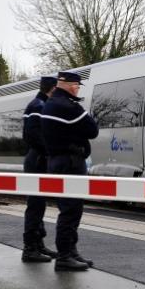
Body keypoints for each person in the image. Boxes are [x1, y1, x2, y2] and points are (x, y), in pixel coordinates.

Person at [41, 70, 99, 272]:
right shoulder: (67, 106)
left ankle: (71, 251)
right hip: (70, 163)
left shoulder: (51, 104)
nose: (78, 89)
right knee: (71, 210)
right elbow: (92, 130)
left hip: (59, 161)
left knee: (70, 208)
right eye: (77, 86)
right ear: (72, 86)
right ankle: (65, 255)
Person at [20, 76, 59, 263]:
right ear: (52, 89)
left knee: (39, 204)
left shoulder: (37, 104)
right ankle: (30, 248)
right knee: (35, 205)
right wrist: (50, 150)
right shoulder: (39, 106)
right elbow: (32, 134)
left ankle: (38, 244)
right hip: (37, 159)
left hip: (37, 158)